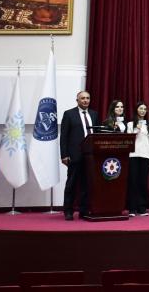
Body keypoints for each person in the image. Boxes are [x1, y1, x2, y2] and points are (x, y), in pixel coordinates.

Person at [60, 91, 99, 221]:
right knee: (71, 184)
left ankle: (84, 210)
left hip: (90, 156)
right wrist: (64, 155)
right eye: (82, 98)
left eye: (87, 98)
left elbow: (97, 134)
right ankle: (68, 211)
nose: (85, 100)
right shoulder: (69, 114)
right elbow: (64, 136)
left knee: (86, 184)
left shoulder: (94, 114)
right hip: (74, 155)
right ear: (77, 100)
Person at [126, 101, 149, 217]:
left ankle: (142, 207)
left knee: (143, 182)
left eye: (144, 109)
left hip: (145, 155)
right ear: (136, 110)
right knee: (133, 182)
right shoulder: (130, 124)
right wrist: (137, 129)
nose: (143, 111)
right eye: (140, 108)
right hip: (133, 155)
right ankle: (132, 208)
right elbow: (129, 139)